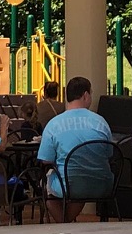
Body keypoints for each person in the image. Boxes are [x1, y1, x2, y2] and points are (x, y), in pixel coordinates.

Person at [38, 76, 115, 221]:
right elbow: (109, 153)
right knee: (81, 178)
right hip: (102, 185)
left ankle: (64, 224)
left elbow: (45, 160)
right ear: (86, 95)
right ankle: (67, 224)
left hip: (70, 185)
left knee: (45, 186)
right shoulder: (101, 122)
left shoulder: (54, 125)